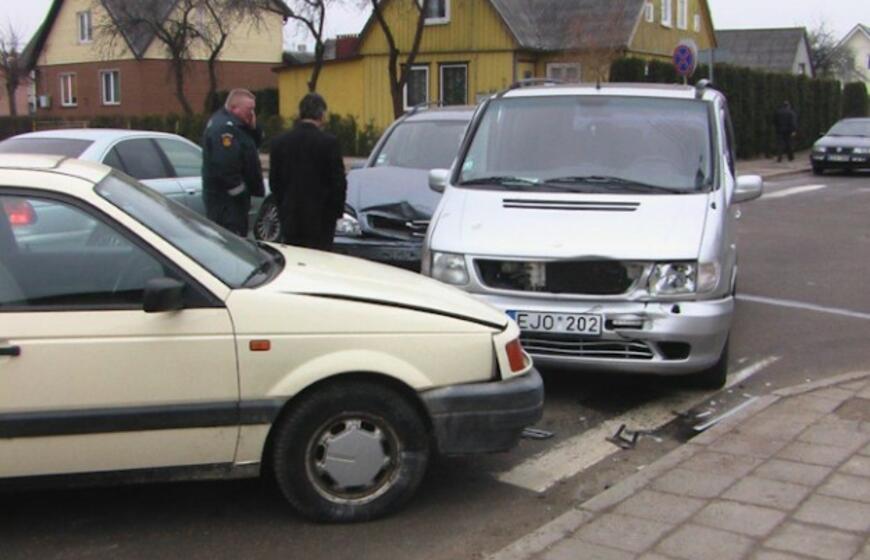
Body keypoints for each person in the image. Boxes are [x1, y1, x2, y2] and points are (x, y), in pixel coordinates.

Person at [269, 93, 347, 250]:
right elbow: (338, 183)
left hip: (290, 215)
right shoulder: (329, 143)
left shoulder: (279, 142)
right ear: (322, 114)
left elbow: (274, 181)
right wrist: (336, 212)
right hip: (321, 219)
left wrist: (282, 206)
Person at [201, 89, 265, 236]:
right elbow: (225, 166)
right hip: (226, 204)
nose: (252, 113)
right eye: (249, 109)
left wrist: (253, 127)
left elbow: (255, 143)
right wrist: (240, 192)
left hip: (232, 204)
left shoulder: (239, 127)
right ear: (234, 108)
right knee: (230, 241)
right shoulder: (224, 129)